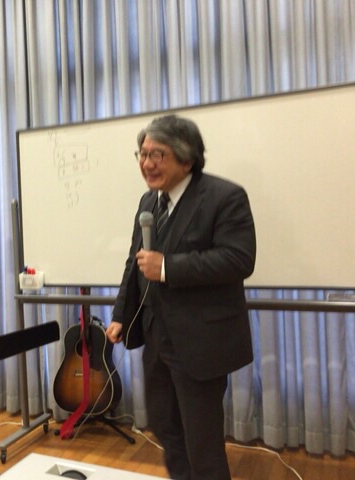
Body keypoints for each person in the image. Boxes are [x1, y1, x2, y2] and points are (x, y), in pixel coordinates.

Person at [106, 115, 256, 480]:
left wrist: (169, 268)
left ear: (186, 159)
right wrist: (121, 314)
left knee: (202, 443)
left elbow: (239, 259)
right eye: (142, 154)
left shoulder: (224, 197)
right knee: (164, 427)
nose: (147, 163)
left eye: (157, 155)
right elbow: (135, 263)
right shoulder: (149, 201)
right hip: (157, 338)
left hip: (201, 342)